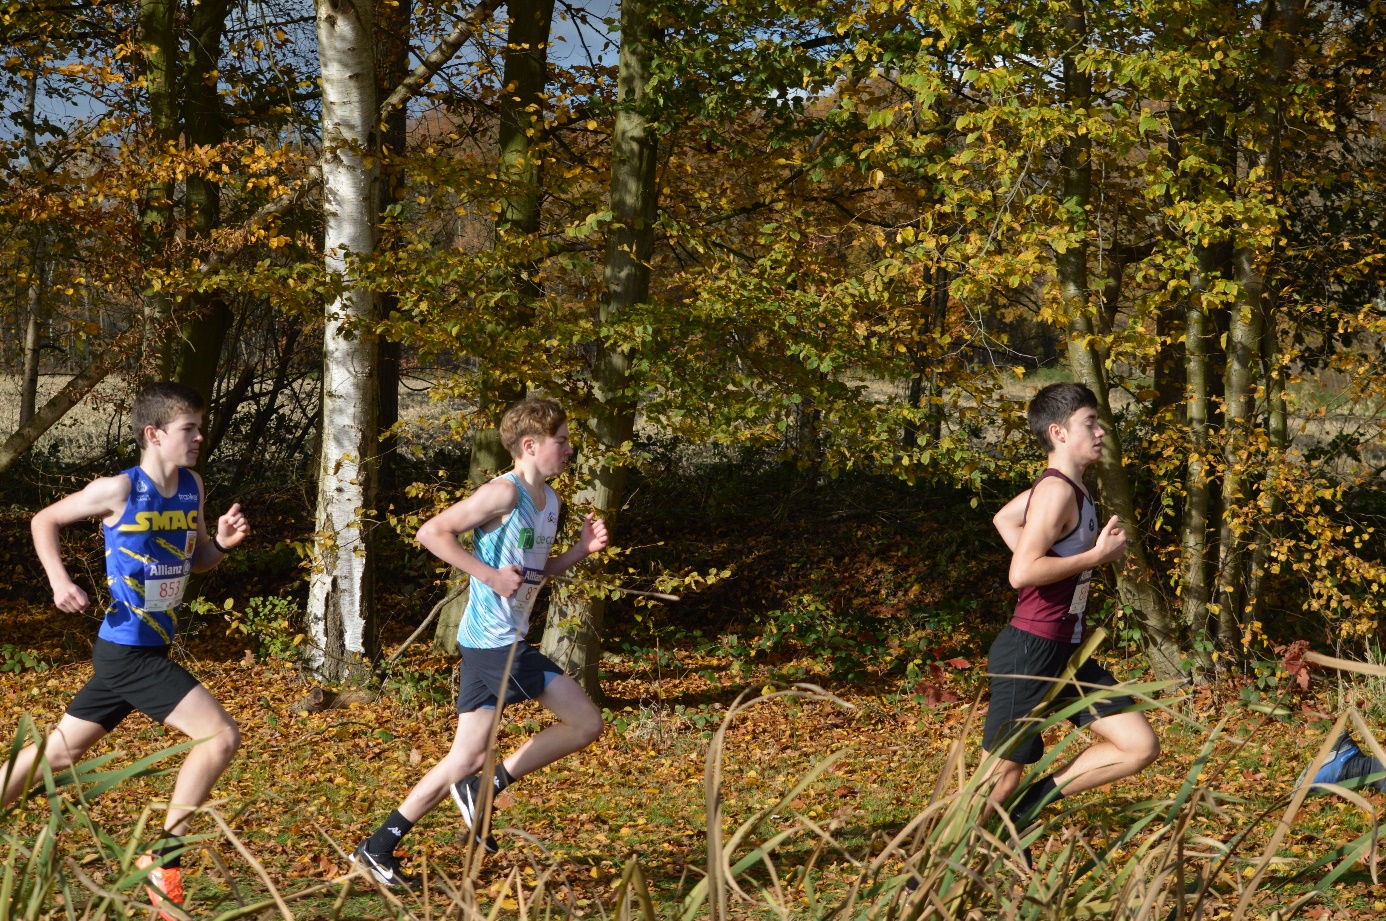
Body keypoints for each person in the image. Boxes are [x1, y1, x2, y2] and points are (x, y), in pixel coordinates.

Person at [3, 382, 250, 920]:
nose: (199, 437)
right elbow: (42, 520)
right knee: (221, 736)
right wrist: (57, 581)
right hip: (128, 653)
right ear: (154, 434)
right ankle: (163, 859)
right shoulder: (117, 489)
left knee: (58, 755)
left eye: (200, 428)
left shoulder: (193, 487)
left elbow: (197, 558)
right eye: (189, 429)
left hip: (146, 650)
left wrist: (223, 545)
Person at [353, 396, 607, 890]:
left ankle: (377, 847)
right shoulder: (503, 494)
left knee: (464, 756)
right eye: (562, 441)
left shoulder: (549, 502)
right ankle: (488, 787)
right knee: (584, 721)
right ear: (531, 445)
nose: (569, 449)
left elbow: (537, 573)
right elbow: (433, 532)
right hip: (496, 642)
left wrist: (579, 551)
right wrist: (489, 575)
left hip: (498, 640)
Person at [982, 382, 1159, 838]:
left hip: (1067, 653)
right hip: (1031, 652)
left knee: (1137, 746)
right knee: (997, 780)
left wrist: (1057, 568)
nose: (1100, 432)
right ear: (1059, 432)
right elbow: (1021, 574)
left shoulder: (1068, 487)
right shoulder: (1056, 492)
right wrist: (1092, 560)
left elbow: (1004, 518)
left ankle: (1029, 807)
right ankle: (928, 878)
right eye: (1090, 423)